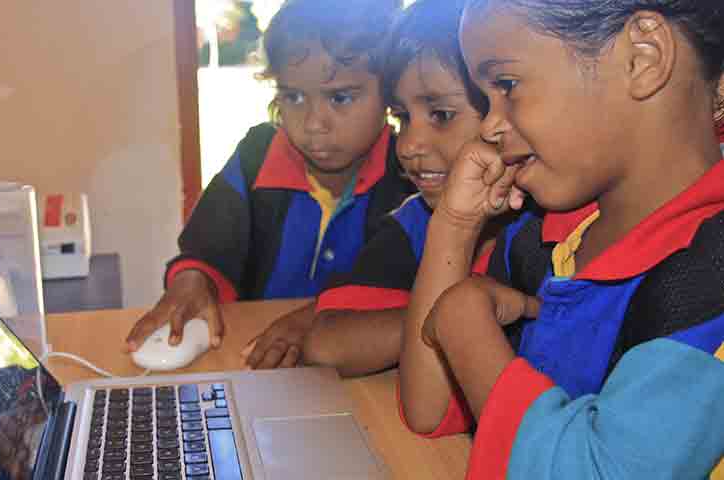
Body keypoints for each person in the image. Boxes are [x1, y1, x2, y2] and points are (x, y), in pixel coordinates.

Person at [400, 0, 724, 478]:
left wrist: (467, 326)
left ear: (643, 57)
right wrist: (454, 227)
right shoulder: (544, 235)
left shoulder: (707, 277)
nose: (489, 125)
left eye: (506, 85)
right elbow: (429, 409)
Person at [126, 0, 414, 368]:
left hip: (366, 377)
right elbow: (208, 248)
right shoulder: (256, 157)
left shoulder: (408, 181)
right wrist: (193, 280)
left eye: (340, 97)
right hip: (247, 361)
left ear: (390, 94)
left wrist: (319, 316)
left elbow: (399, 291)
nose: (313, 123)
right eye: (294, 97)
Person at [301, 0, 517, 378]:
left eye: (441, 115)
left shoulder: (546, 230)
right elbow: (326, 344)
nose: (407, 145)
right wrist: (452, 322)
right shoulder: (413, 222)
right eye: (401, 118)